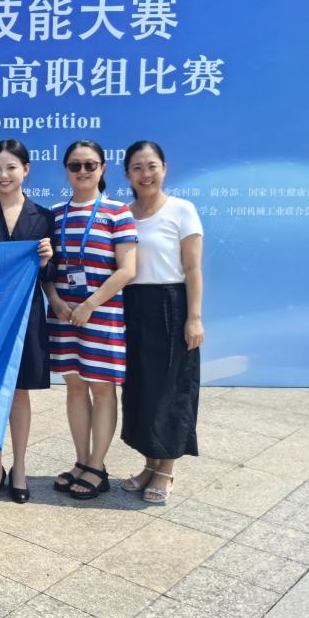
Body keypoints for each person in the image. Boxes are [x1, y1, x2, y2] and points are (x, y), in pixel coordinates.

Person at [47, 140, 137, 500]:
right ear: (66, 170)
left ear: (102, 168)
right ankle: (81, 461)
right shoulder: (54, 214)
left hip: (101, 315)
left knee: (101, 387)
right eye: (75, 165)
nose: (82, 171)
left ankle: (97, 467)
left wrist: (89, 305)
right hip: (64, 315)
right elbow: (47, 268)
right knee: (74, 386)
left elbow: (127, 270)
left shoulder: (118, 213)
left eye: (90, 165)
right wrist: (55, 300)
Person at [0, 140, 54, 503]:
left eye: (11, 168)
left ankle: (19, 468)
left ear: (26, 169)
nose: (3, 175)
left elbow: (51, 274)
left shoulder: (44, 217)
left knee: (19, 392)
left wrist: (46, 260)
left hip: (27, 316)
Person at [120, 141, 204, 504]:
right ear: (128, 174)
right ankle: (149, 464)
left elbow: (193, 268)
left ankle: (166, 469)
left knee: (171, 388)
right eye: (137, 168)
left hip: (171, 304)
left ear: (164, 169)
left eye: (151, 166)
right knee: (141, 388)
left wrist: (194, 317)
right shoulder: (124, 214)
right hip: (133, 305)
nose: (145, 174)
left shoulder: (182, 210)